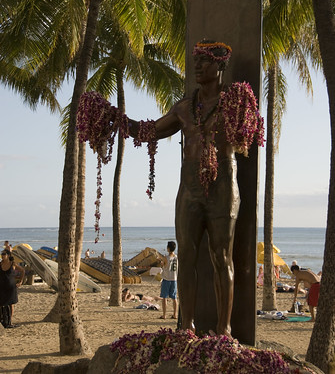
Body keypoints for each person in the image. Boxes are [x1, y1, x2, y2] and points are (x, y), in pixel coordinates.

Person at [78, 39, 264, 336]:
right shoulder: (183, 109)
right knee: (187, 256)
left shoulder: (235, 101)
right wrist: (114, 117)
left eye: (204, 62)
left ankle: (224, 329)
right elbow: (148, 131)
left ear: (220, 66)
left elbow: (248, 134)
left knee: (222, 257)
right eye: (195, 63)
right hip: (189, 189)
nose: (198, 67)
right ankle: (186, 326)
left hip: (224, 187)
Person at [0, 249, 25, 328]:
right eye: (1, 253)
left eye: (4, 254)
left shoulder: (13, 264)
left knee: (11, 304)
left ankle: (10, 321)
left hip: (11, 288)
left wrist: (20, 281)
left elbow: (22, 271)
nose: (2, 255)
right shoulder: (0, 264)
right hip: (1, 287)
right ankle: (3, 320)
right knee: (1, 303)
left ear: (8, 255)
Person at [159, 241, 178, 320]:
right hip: (174, 279)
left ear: (168, 248)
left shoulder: (166, 257)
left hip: (167, 279)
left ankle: (164, 315)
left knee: (164, 297)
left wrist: (161, 262)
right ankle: (175, 314)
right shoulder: (176, 257)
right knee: (174, 298)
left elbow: (163, 265)